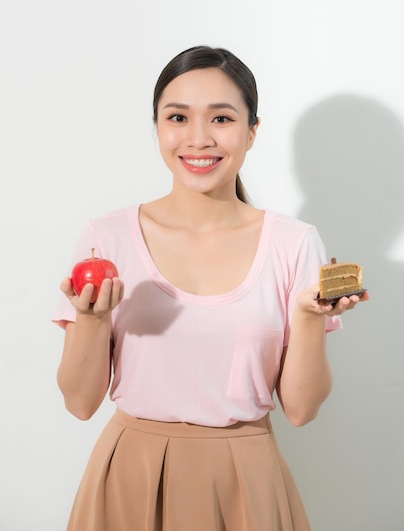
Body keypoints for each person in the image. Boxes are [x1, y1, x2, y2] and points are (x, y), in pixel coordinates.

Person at [52, 45, 369, 531]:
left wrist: (307, 317)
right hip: (129, 478)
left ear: (252, 131)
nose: (199, 139)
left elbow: (302, 411)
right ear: (157, 127)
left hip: (247, 479)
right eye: (178, 117)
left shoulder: (294, 242)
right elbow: (79, 403)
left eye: (221, 119)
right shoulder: (106, 239)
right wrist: (93, 320)